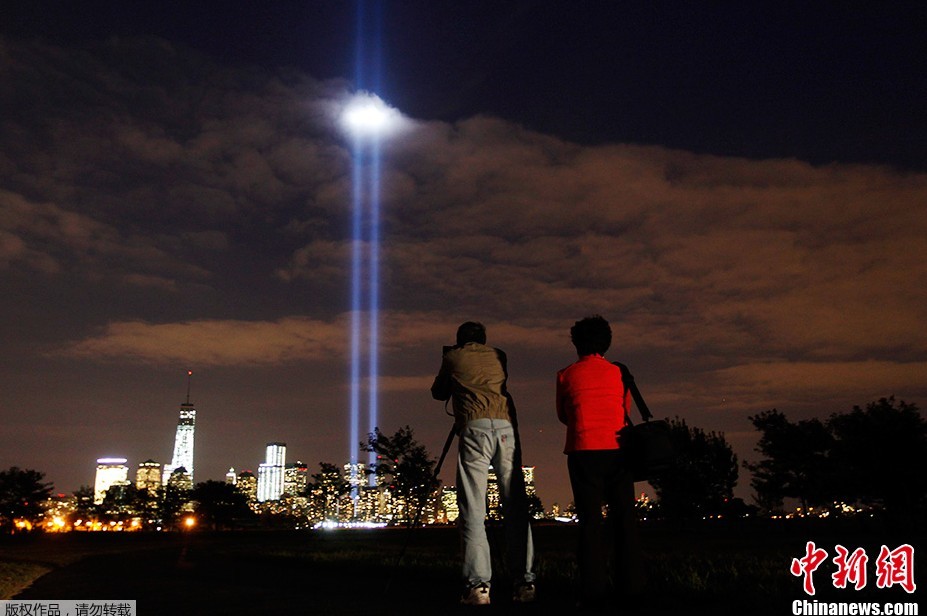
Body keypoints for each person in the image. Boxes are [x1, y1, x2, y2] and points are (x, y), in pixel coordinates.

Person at [431, 321, 536, 606]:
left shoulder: (452, 357)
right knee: (515, 506)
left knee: (473, 508)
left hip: (474, 428)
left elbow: (438, 392)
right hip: (505, 428)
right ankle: (525, 581)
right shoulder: (499, 355)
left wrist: (450, 362)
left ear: (459, 341)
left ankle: (478, 587)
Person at [556, 315, 645, 609]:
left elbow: (563, 415)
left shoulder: (566, 374)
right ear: (607, 342)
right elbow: (625, 410)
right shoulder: (620, 373)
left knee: (590, 522)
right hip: (618, 451)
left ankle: (593, 591)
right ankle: (631, 588)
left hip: (583, 450)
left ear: (576, 343)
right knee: (624, 520)